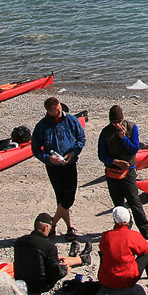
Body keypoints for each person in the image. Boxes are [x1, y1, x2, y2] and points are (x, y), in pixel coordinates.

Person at [97, 104, 148, 239]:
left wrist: (124, 139)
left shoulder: (131, 127)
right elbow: (101, 155)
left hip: (128, 171)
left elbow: (134, 149)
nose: (117, 125)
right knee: (117, 202)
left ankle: (145, 228)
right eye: (114, 122)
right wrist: (116, 162)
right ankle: (122, 227)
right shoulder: (105, 132)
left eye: (119, 122)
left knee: (134, 200)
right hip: (112, 171)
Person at [31, 97, 85, 238]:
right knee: (60, 198)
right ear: (49, 112)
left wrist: (73, 153)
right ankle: (69, 228)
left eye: (60, 109)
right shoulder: (42, 126)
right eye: (56, 111)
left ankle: (52, 225)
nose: (59, 112)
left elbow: (81, 139)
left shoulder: (71, 120)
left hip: (70, 163)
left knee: (69, 197)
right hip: (53, 166)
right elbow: (36, 149)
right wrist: (48, 158)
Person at [13, 212, 90, 295]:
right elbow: (56, 273)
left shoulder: (19, 241)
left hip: (21, 282)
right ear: (45, 227)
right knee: (64, 263)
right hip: (41, 286)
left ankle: (79, 257)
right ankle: (83, 258)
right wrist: (65, 270)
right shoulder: (48, 246)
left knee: (54, 259)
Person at [98, 206, 148, 291]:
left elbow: (103, 250)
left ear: (115, 220)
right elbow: (144, 249)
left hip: (106, 279)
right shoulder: (133, 235)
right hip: (128, 279)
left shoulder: (106, 236)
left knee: (104, 254)